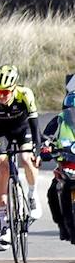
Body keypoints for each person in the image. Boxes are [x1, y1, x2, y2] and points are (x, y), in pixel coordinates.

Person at [0, 65, 42, 244]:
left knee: (26, 158)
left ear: (14, 88)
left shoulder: (25, 95)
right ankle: (4, 223)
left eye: (6, 91)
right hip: (0, 132)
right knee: (2, 166)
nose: (1, 95)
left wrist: (37, 148)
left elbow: (35, 125)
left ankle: (32, 193)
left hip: (22, 130)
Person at [41, 93, 75, 241]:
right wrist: (46, 146)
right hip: (67, 163)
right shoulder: (59, 120)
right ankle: (62, 225)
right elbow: (46, 137)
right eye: (71, 109)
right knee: (52, 192)